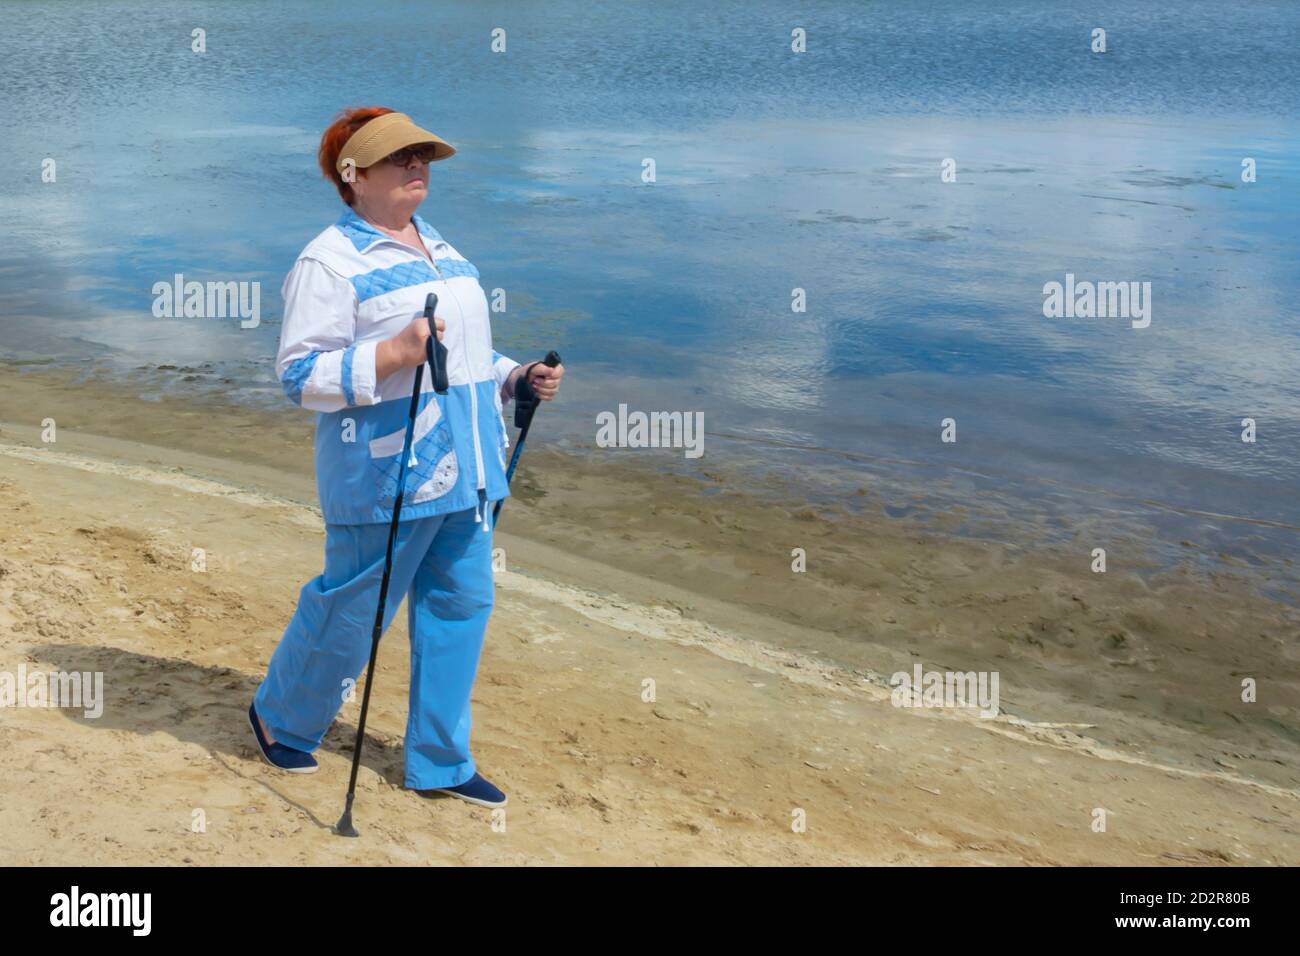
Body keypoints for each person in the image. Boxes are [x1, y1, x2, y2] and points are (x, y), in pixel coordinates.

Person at [248, 107, 564, 809]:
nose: (418, 165)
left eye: (422, 155)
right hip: (386, 474)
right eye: (400, 157)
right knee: (354, 609)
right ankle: (281, 718)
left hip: (473, 469)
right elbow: (300, 376)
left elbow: (466, 352)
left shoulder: (442, 248)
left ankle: (441, 762)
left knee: (462, 607)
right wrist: (391, 354)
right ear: (353, 176)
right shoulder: (328, 261)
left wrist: (514, 378)